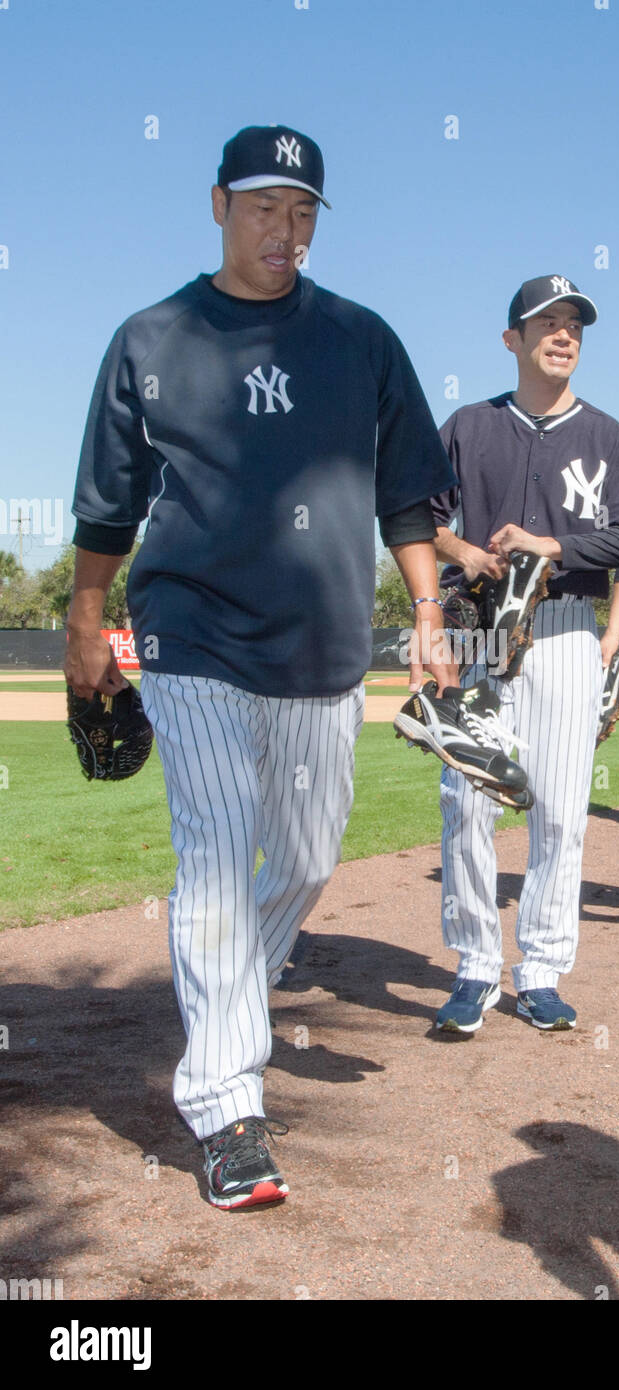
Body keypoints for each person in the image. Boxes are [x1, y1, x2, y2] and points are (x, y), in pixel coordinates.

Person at [64, 125, 459, 1208]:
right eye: (262, 206)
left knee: (306, 855)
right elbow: (108, 502)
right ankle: (228, 1102)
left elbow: (410, 494)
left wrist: (428, 610)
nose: (282, 230)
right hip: (191, 630)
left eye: (302, 212)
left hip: (325, 645)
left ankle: (231, 992)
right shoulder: (153, 336)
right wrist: (86, 618)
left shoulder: (360, 339)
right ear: (217, 204)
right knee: (215, 853)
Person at [422, 275, 619, 1032]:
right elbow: (416, 519)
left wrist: (552, 545)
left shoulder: (608, 436)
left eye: (574, 326)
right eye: (545, 323)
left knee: (559, 810)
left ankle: (545, 967)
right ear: (511, 340)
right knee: (466, 805)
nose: (563, 335)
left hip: (563, 629)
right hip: (482, 629)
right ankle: (475, 966)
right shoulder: (467, 425)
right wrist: (467, 553)